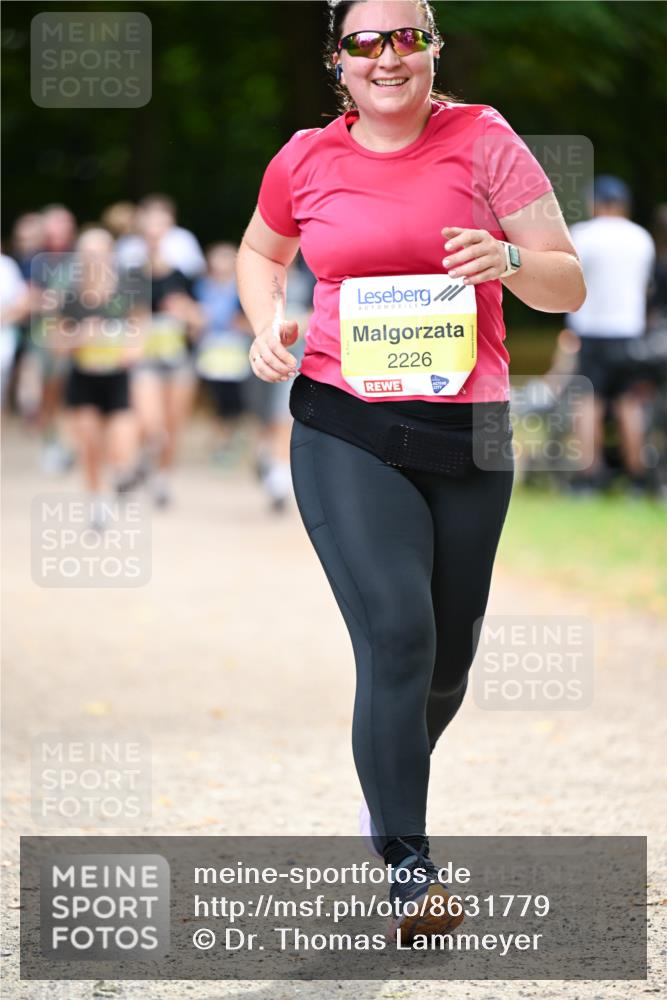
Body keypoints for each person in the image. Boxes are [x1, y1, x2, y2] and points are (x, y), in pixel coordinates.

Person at [236, 0, 585, 946]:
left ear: (430, 50)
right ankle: (408, 867)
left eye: (405, 39)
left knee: (446, 665)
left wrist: (508, 257)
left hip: (468, 433)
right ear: (337, 61)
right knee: (397, 634)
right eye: (365, 42)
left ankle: (386, 785)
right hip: (344, 422)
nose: (386, 58)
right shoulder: (305, 157)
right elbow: (262, 253)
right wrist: (268, 320)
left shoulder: (483, 140)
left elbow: (566, 279)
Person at [566, 176, 656, 494]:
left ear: (595, 203)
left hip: (591, 331)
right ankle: (637, 477)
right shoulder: (641, 238)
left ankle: (588, 478)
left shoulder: (583, 235)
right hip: (629, 332)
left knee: (588, 404)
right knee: (629, 404)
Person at [55, 228, 146, 529]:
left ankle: (125, 475)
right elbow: (57, 343)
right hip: (83, 378)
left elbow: (140, 329)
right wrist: (82, 335)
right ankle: (97, 504)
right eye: (88, 253)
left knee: (120, 447)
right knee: (90, 446)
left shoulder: (125, 290)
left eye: (100, 252)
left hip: (117, 378)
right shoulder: (70, 295)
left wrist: (128, 350)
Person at [130, 201, 205, 507]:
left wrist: (186, 314)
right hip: (145, 359)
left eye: (160, 228)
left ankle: (162, 478)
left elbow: (200, 321)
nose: (154, 234)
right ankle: (144, 459)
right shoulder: (130, 275)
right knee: (153, 424)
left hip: (179, 358)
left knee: (173, 424)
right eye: (149, 228)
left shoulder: (183, 276)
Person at [193, 242, 252, 465]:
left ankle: (229, 436)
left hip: (236, 350)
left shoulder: (242, 287)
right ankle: (222, 437)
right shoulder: (202, 286)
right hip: (211, 350)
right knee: (216, 397)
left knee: (234, 398)